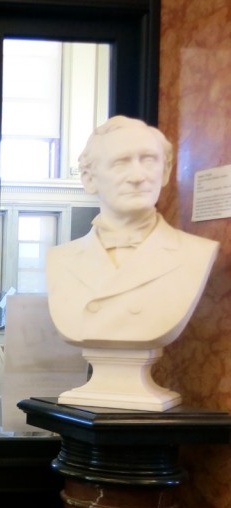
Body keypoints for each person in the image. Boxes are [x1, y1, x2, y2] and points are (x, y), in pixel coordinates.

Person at [45, 116, 218, 409]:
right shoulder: (61, 260)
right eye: (121, 162)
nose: (138, 176)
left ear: (165, 172)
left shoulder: (196, 253)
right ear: (89, 178)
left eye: (149, 160)